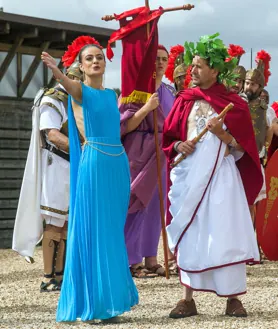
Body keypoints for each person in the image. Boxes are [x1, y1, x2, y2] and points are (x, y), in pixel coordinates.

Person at [163, 33, 262, 318]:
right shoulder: (184, 100)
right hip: (189, 176)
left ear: (215, 71)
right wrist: (177, 145)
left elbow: (246, 147)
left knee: (224, 233)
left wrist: (222, 135)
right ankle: (187, 299)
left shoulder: (234, 103)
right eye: (191, 66)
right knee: (192, 232)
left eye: (198, 66)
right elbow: (169, 138)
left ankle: (232, 298)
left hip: (221, 178)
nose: (191, 71)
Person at [41, 35, 138, 322]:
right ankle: (94, 304)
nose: (96, 61)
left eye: (99, 57)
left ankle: (111, 301)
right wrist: (57, 71)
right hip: (94, 164)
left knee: (111, 232)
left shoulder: (112, 96)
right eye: (89, 58)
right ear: (81, 66)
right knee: (95, 232)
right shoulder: (80, 91)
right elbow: (69, 86)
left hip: (117, 164)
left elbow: (120, 129)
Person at [13, 61, 82, 292]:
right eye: (76, 77)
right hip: (56, 165)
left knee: (65, 223)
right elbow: (52, 135)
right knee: (55, 221)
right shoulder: (52, 99)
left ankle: (60, 275)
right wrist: (84, 149)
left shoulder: (76, 100)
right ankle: (48, 277)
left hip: (71, 166)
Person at [121, 45, 176, 278]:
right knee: (135, 204)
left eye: (164, 59)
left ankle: (151, 258)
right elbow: (125, 125)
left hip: (162, 153)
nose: (160, 63)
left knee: (156, 206)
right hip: (139, 151)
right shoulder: (135, 89)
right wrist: (146, 108)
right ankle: (130, 260)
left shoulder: (170, 91)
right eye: (156, 59)